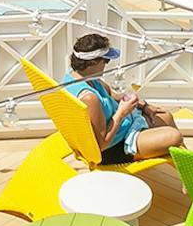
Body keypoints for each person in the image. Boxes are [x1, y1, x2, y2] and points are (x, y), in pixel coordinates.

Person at [69, 33, 182, 163]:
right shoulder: (89, 98)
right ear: (93, 62)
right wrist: (122, 113)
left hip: (124, 128)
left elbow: (112, 95)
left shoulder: (77, 77)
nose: (107, 64)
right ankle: (189, 167)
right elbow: (102, 144)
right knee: (175, 137)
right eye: (106, 60)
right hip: (116, 146)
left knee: (166, 116)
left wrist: (143, 106)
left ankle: (188, 161)